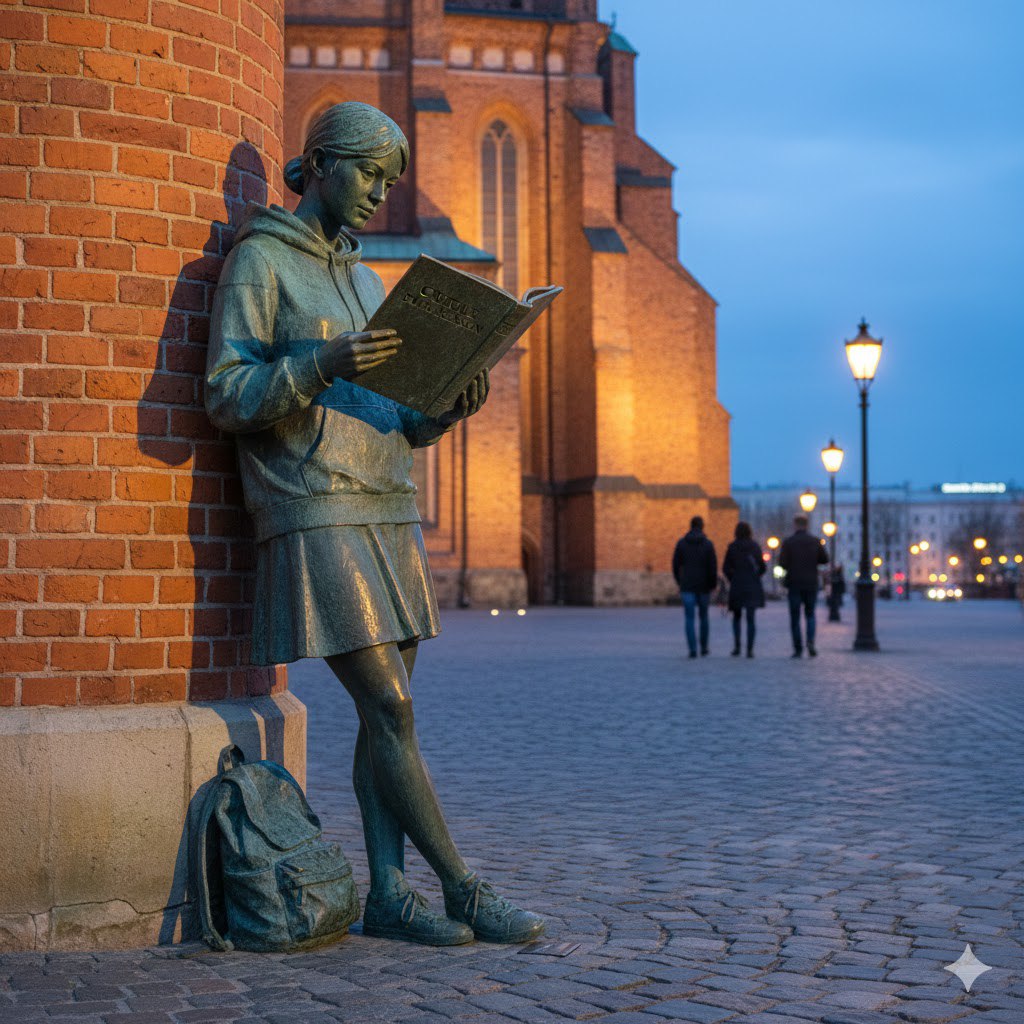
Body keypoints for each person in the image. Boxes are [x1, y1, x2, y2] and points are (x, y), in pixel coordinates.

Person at [205, 102, 544, 947]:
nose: (380, 194)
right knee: (390, 706)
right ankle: (462, 887)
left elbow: (387, 409)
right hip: (313, 500)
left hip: (388, 500)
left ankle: (390, 895)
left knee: (381, 716)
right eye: (368, 172)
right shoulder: (261, 260)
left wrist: (441, 411)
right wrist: (320, 361)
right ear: (318, 162)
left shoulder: (363, 279)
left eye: (391, 180)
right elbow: (223, 392)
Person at [779, 514, 829, 657]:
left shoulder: (789, 542)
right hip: (810, 583)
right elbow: (825, 559)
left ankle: (798, 648)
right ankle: (811, 642)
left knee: (795, 617)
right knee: (810, 614)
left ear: (795, 525)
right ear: (806, 525)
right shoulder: (815, 541)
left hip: (794, 583)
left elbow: (782, 563)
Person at [671, 515, 718, 658]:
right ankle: (703, 647)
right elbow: (713, 567)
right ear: (702, 526)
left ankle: (692, 649)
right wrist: (712, 584)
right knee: (704, 617)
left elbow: (675, 565)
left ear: (690, 526)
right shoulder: (708, 544)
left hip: (687, 585)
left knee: (689, 618)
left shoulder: (682, 543)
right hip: (704, 586)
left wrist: (680, 581)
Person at [722, 522, 766, 658]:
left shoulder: (732, 547)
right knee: (751, 618)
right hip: (752, 585)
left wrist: (732, 578)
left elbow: (725, 567)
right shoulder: (755, 546)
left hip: (737, 585)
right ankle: (750, 649)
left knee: (736, 617)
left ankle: (737, 647)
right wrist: (755, 576)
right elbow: (762, 567)